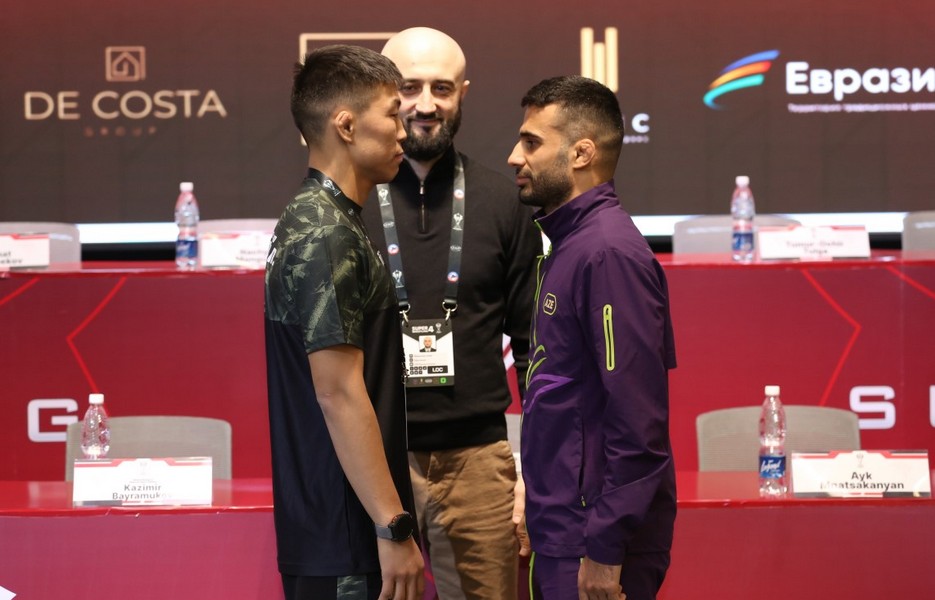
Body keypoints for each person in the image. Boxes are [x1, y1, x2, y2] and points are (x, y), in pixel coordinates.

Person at [361, 27, 541, 600]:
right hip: (376, 464)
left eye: (442, 88)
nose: (426, 104)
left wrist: (533, 471)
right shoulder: (348, 206)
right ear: (384, 94)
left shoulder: (505, 201)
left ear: (462, 93)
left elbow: (536, 350)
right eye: (409, 87)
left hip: (479, 463)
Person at [508, 76, 677, 600]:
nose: (515, 157)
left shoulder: (607, 254)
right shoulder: (571, 243)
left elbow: (637, 418)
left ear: (581, 153)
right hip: (564, 528)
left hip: (593, 542)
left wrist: (605, 544)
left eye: (531, 142)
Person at [264, 44, 424, 600]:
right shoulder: (325, 233)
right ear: (347, 125)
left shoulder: (324, 218)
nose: (403, 132)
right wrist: (392, 526)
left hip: (339, 531)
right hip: (347, 538)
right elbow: (337, 393)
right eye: (393, 115)